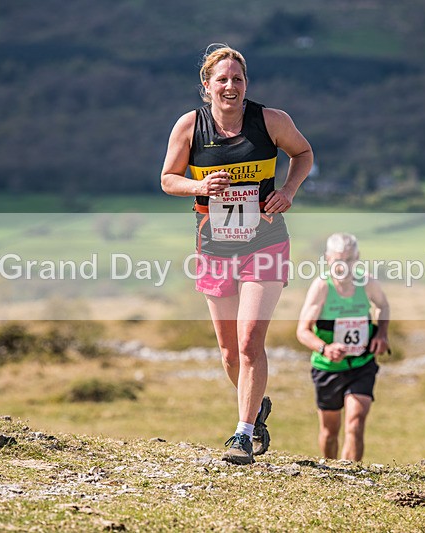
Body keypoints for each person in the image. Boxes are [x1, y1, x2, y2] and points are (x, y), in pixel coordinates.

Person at [161, 44, 313, 464]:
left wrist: (287, 191)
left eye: (238, 79)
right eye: (222, 79)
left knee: (249, 342)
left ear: (246, 84)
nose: (231, 86)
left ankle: (243, 434)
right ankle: (257, 407)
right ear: (206, 86)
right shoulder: (190, 126)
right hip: (213, 247)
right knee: (229, 352)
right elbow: (168, 179)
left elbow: (303, 153)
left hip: (264, 241)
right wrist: (199, 187)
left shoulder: (271, 121)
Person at [296, 233, 391, 461]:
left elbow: (383, 306)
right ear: (328, 259)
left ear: (357, 258)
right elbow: (302, 331)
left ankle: (353, 477)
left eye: (349, 260)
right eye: (338, 260)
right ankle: (331, 472)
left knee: (355, 423)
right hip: (327, 368)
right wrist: (325, 348)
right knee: (330, 433)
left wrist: (382, 333)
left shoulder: (366, 282)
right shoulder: (321, 287)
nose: (344, 266)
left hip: (361, 364)